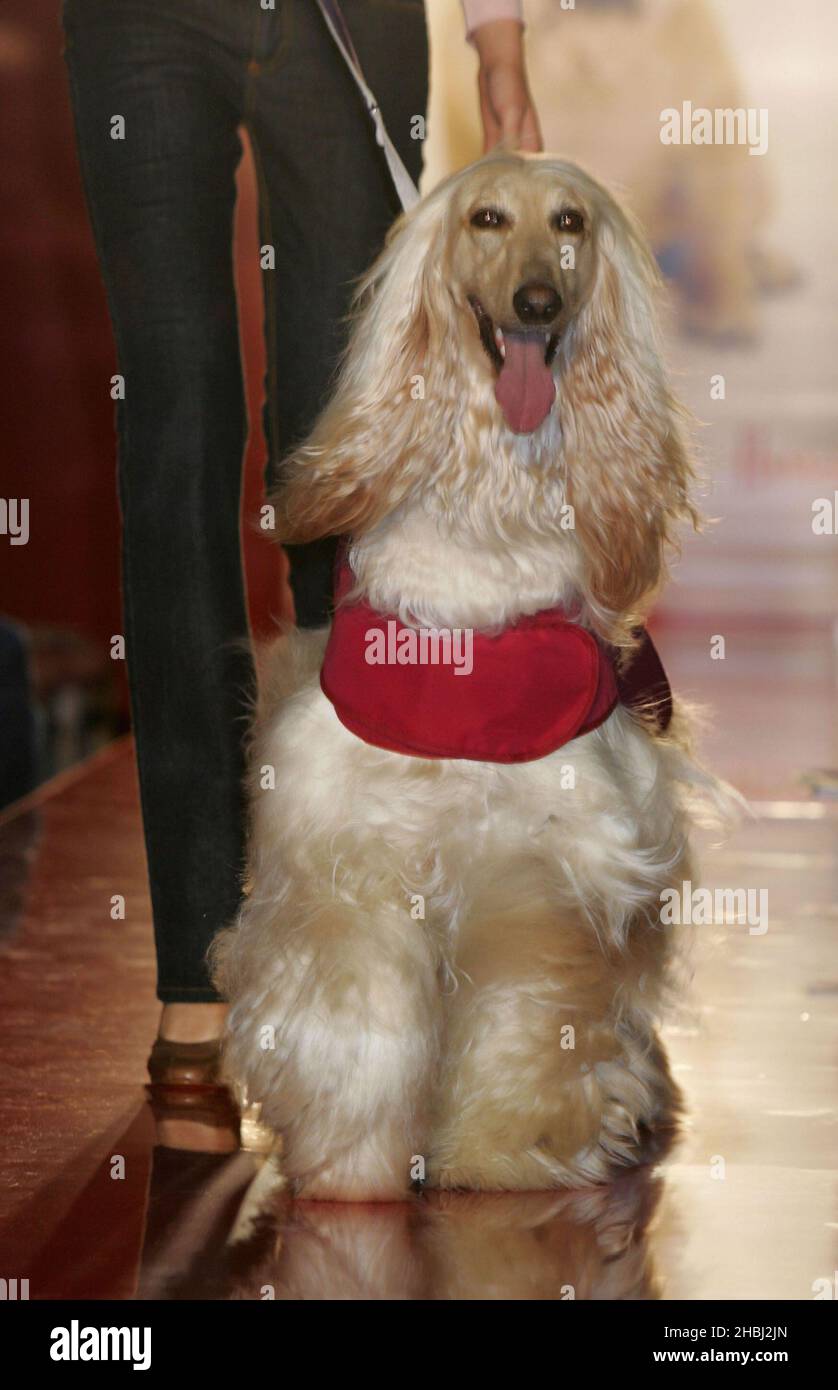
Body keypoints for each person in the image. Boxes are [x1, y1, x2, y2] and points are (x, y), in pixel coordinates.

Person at [61, 0, 539, 1087]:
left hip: (347, 21)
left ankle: (359, 919)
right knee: (174, 438)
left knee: (341, 456)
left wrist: (498, 37)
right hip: (144, 25)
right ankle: (197, 957)